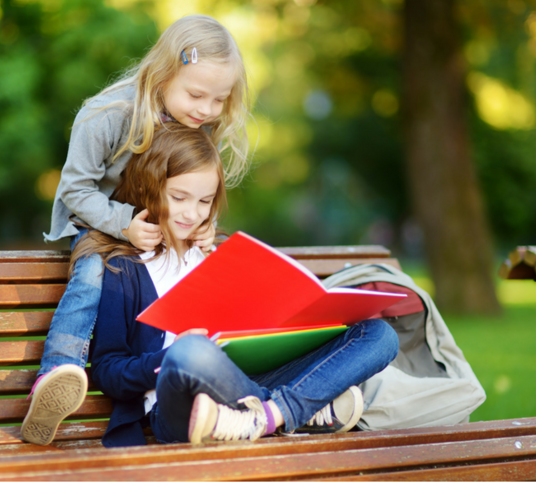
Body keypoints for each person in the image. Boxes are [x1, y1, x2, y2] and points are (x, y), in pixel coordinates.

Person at [86, 124, 400, 447]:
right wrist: (165, 357)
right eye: (179, 197)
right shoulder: (125, 268)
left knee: (380, 335)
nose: (192, 214)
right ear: (151, 187)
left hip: (250, 380)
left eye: (205, 202)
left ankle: (266, 417)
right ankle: (297, 412)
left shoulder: (214, 253)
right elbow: (107, 370)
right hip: (179, 402)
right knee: (192, 352)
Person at [21, 15, 252, 446]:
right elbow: (75, 190)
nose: (206, 110)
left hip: (158, 228)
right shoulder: (108, 115)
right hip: (100, 223)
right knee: (93, 274)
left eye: (219, 100)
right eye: (197, 94)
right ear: (164, 73)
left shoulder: (197, 122)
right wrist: (123, 226)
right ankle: (54, 375)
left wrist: (205, 225)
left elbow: (196, 186)